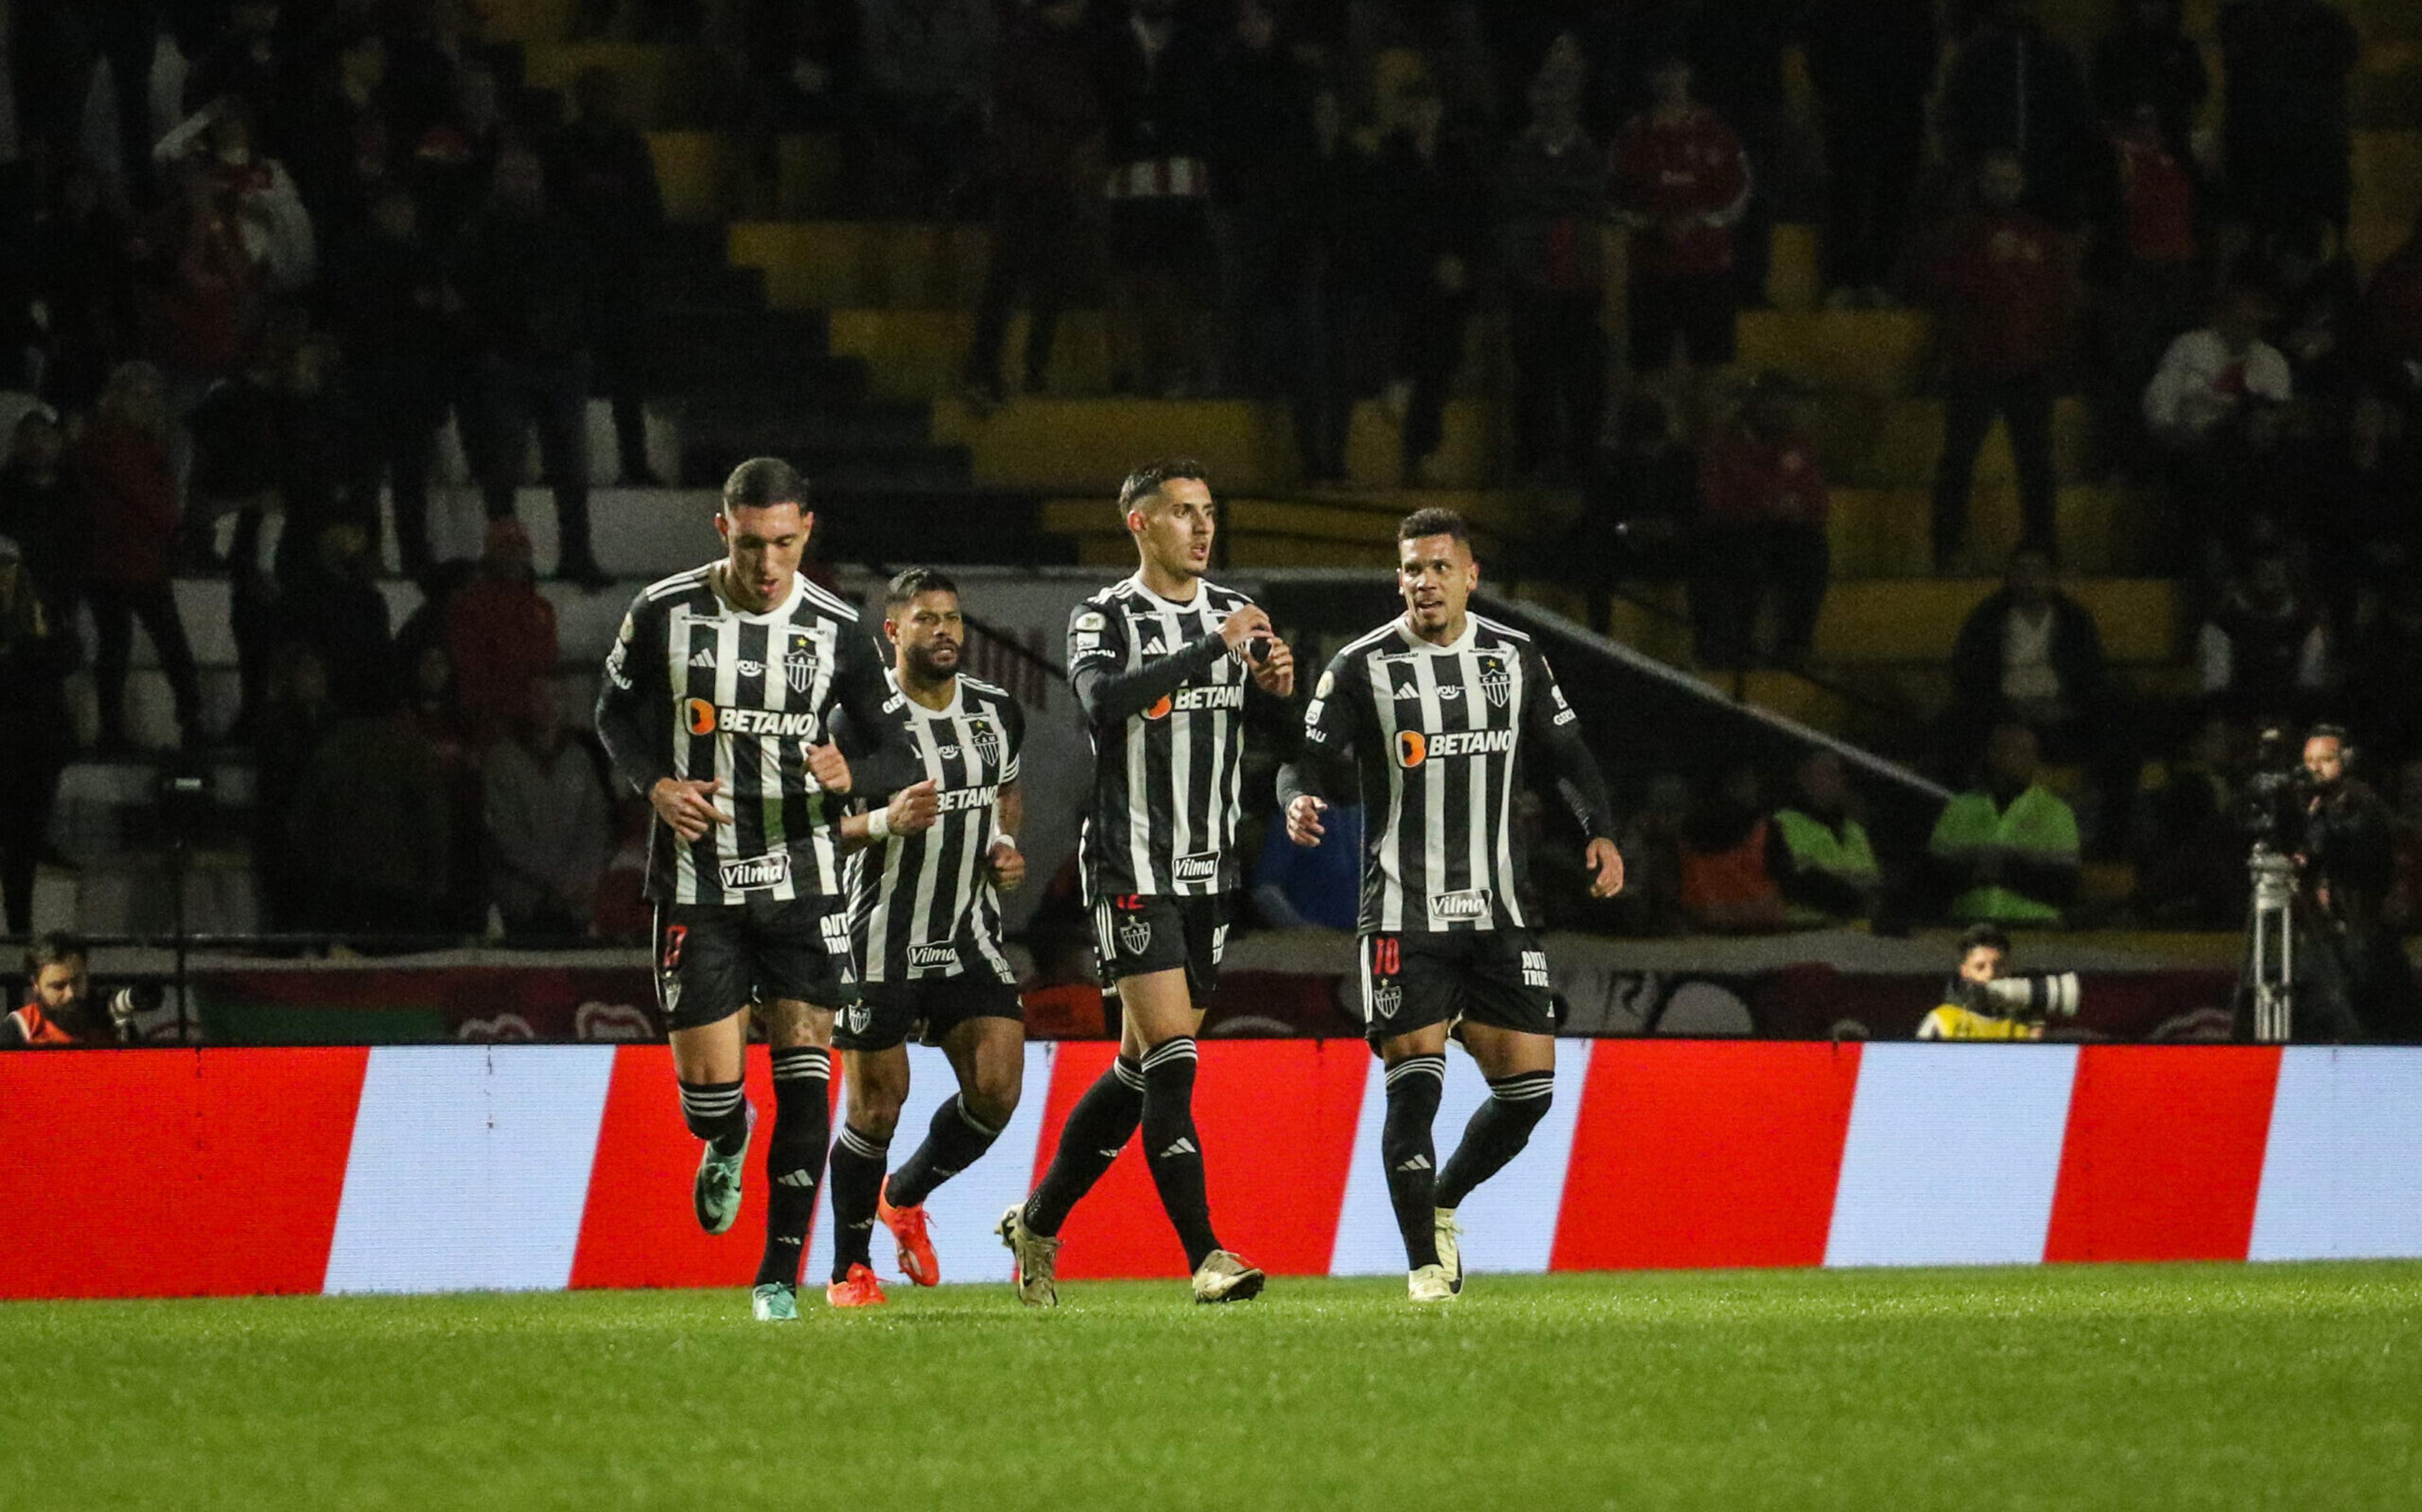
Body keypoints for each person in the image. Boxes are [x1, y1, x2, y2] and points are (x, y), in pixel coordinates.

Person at [593, 457, 930, 1323]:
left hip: (805, 883)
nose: (767, 563)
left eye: (784, 543)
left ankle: (777, 1276)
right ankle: (727, 1139)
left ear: (806, 532)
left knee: (808, 1076)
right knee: (708, 1095)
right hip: (699, 883)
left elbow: (897, 752)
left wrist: (851, 767)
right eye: (751, 544)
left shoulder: (839, 629)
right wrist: (656, 786)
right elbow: (613, 714)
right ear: (723, 531)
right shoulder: (663, 612)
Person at [1277, 506, 1620, 1302]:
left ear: (1471, 576)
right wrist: (1297, 799)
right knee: (1416, 1081)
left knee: (1530, 1090)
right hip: (1403, 910)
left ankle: (1441, 1202)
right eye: (1410, 569)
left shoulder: (1516, 656)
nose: (1423, 582)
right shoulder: (1361, 665)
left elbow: (1567, 753)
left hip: (1501, 907)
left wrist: (1599, 832)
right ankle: (1424, 1266)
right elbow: (1307, 761)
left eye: (1438, 567)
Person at [997, 460, 1295, 1308]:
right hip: (1131, 866)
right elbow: (1101, 703)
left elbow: (1283, 729)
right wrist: (1213, 646)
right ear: (1140, 525)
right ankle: (1207, 1256)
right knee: (1172, 1060)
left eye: (1208, 512)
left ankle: (1040, 1221)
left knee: (1136, 1070)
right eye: (1182, 514)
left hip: (1211, 873)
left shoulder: (1237, 613)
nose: (1201, 528)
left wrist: (1280, 686)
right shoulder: (1107, 615)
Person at [819, 568, 1029, 1308]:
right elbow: (814, 831)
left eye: (953, 618)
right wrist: (882, 822)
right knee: (878, 1106)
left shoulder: (997, 712)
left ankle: (904, 1196)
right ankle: (850, 1270)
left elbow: (1005, 789)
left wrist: (1003, 841)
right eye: (927, 619)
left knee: (998, 1092)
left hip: (969, 933)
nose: (945, 630)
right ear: (893, 632)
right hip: (879, 937)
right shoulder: (855, 723)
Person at [447, 146, 611, 589]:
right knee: (504, 469)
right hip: (511, 362)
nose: (519, 183)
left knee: (565, 469)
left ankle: (575, 554)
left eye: (527, 174)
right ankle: (508, 562)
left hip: (552, 362)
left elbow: (588, 291)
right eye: (511, 175)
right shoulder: (482, 232)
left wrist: (579, 342)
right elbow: (464, 296)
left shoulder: (558, 230)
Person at [1919, 151, 2076, 571]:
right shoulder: (1959, 233)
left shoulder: (2042, 236)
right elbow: (1939, 287)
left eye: (2010, 180)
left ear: (2022, 184)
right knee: (1959, 459)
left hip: (2029, 365)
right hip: (1975, 362)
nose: (2002, 188)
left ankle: (2042, 549)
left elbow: (2056, 300)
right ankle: (1948, 550)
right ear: (1981, 181)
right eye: (1995, 179)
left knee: (2036, 464)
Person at [962, 0, 1099, 409]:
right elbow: (1062, 100)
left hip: (1042, 174)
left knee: (1033, 279)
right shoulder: (1032, 43)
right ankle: (999, 370)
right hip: (1029, 175)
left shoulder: (1038, 41)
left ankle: (1009, 370)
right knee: (1017, 278)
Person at [68, 361, 204, 752]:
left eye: (149, 396)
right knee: (145, 645)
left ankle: (125, 729)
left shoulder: (130, 442)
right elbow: (150, 502)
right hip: (122, 559)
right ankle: (178, 724)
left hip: (127, 558)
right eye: (136, 395)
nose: (144, 403)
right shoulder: (108, 442)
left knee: (132, 646)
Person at [546, 66, 666, 484]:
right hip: (582, 278)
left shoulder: (622, 145)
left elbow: (649, 212)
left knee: (622, 380)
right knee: (572, 378)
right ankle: (570, 465)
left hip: (616, 278)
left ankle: (626, 464)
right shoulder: (572, 146)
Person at [1610, 54, 1748, 409]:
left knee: (1712, 369)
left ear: (1689, 74)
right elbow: (1614, 198)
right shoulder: (1634, 135)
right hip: (1652, 270)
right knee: (1649, 371)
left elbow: (1739, 194)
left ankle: (1705, 459)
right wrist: (1656, 222)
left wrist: (1698, 219)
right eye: (1662, 71)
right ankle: (1652, 450)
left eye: (1677, 70)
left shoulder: (1716, 131)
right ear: (1650, 78)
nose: (1671, 80)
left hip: (1709, 269)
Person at [1497, 57, 1606, 482]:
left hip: (1578, 284)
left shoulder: (1586, 155)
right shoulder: (1519, 154)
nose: (1553, 103)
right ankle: (1536, 461)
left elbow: (1589, 205)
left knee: (1584, 378)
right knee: (1534, 379)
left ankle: (1579, 461)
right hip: (1533, 283)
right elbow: (1513, 208)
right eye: (1545, 93)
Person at [2285, 726, 2420, 1043]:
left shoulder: (2362, 806)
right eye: (2309, 760)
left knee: (2372, 1036)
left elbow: (2348, 855)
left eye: (2325, 759)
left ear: (2346, 761)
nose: (2314, 769)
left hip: (2361, 943)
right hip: (2320, 939)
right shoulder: (2312, 807)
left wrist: (2316, 835)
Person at [1692, 375, 1830, 669]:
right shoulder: (1726, 444)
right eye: (1773, 403)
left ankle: (1796, 643)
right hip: (1736, 530)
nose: (1781, 412)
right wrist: (1765, 506)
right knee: (1746, 556)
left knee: (1814, 551)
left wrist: (1798, 509)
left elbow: (1817, 501)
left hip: (1781, 530)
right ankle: (1739, 643)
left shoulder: (1797, 445)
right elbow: (1716, 501)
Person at [2217, 0, 2359, 236]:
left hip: (2284, 146)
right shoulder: (2321, 21)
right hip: (2281, 145)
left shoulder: (2246, 18)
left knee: (2284, 231)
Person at [484, 684, 611, 944]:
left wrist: (580, 878)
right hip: (523, 901)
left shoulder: (579, 759)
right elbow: (504, 832)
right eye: (539, 697)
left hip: (574, 902)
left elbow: (595, 824)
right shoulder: (504, 759)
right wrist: (553, 878)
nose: (548, 706)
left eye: (556, 697)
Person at [1926, 722, 2080, 926]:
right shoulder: (1961, 807)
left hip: (2033, 930)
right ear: (1990, 754)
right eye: (2003, 748)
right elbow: (1933, 878)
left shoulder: (2056, 812)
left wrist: (1994, 871)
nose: (2010, 757)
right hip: (1966, 926)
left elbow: (2063, 886)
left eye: (2022, 751)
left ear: (2035, 759)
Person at [0, 534, 73, 934]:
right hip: (14, 740)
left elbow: (66, 656)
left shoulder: (38, 608)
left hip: (32, 743)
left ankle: (20, 926)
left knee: (22, 844)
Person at [445, 519, 559, 745]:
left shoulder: (541, 609)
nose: (515, 555)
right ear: (491, 554)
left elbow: (549, 669)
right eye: (506, 547)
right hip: (493, 724)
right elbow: (469, 671)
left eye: (521, 547)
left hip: (536, 723)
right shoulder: (470, 606)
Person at [1769, 749, 1880, 928]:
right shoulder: (1782, 825)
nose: (1837, 779)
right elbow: (1800, 886)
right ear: (1804, 777)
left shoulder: (1855, 831)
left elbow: (1874, 888)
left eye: (1839, 773)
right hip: (1807, 940)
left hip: (1856, 940)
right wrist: (1859, 902)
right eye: (1827, 772)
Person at [1915, 923, 2042, 1040]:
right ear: (1965, 972)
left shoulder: (2026, 1021)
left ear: (2009, 968)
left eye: (1999, 966)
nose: (1991, 974)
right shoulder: (1941, 1022)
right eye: (1980, 967)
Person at [1, 934, 126, 1047]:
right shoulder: (21, 1028)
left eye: (77, 982)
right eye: (58, 986)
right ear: (36, 985)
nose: (71, 994)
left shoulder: (110, 1021)